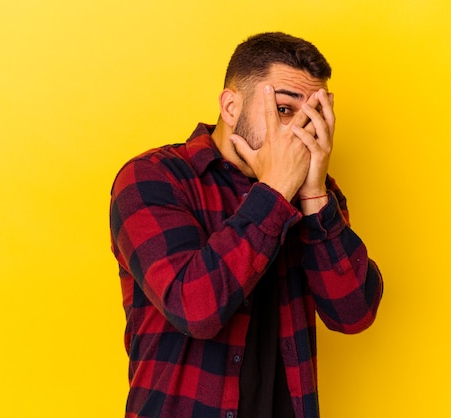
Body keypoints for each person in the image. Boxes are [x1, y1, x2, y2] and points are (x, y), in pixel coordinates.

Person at [109, 32, 383, 418]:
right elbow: (195, 308)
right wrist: (274, 190)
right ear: (231, 106)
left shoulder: (315, 193)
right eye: (286, 110)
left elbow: (354, 313)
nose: (301, 132)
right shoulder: (153, 178)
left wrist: (315, 195)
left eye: (315, 116)